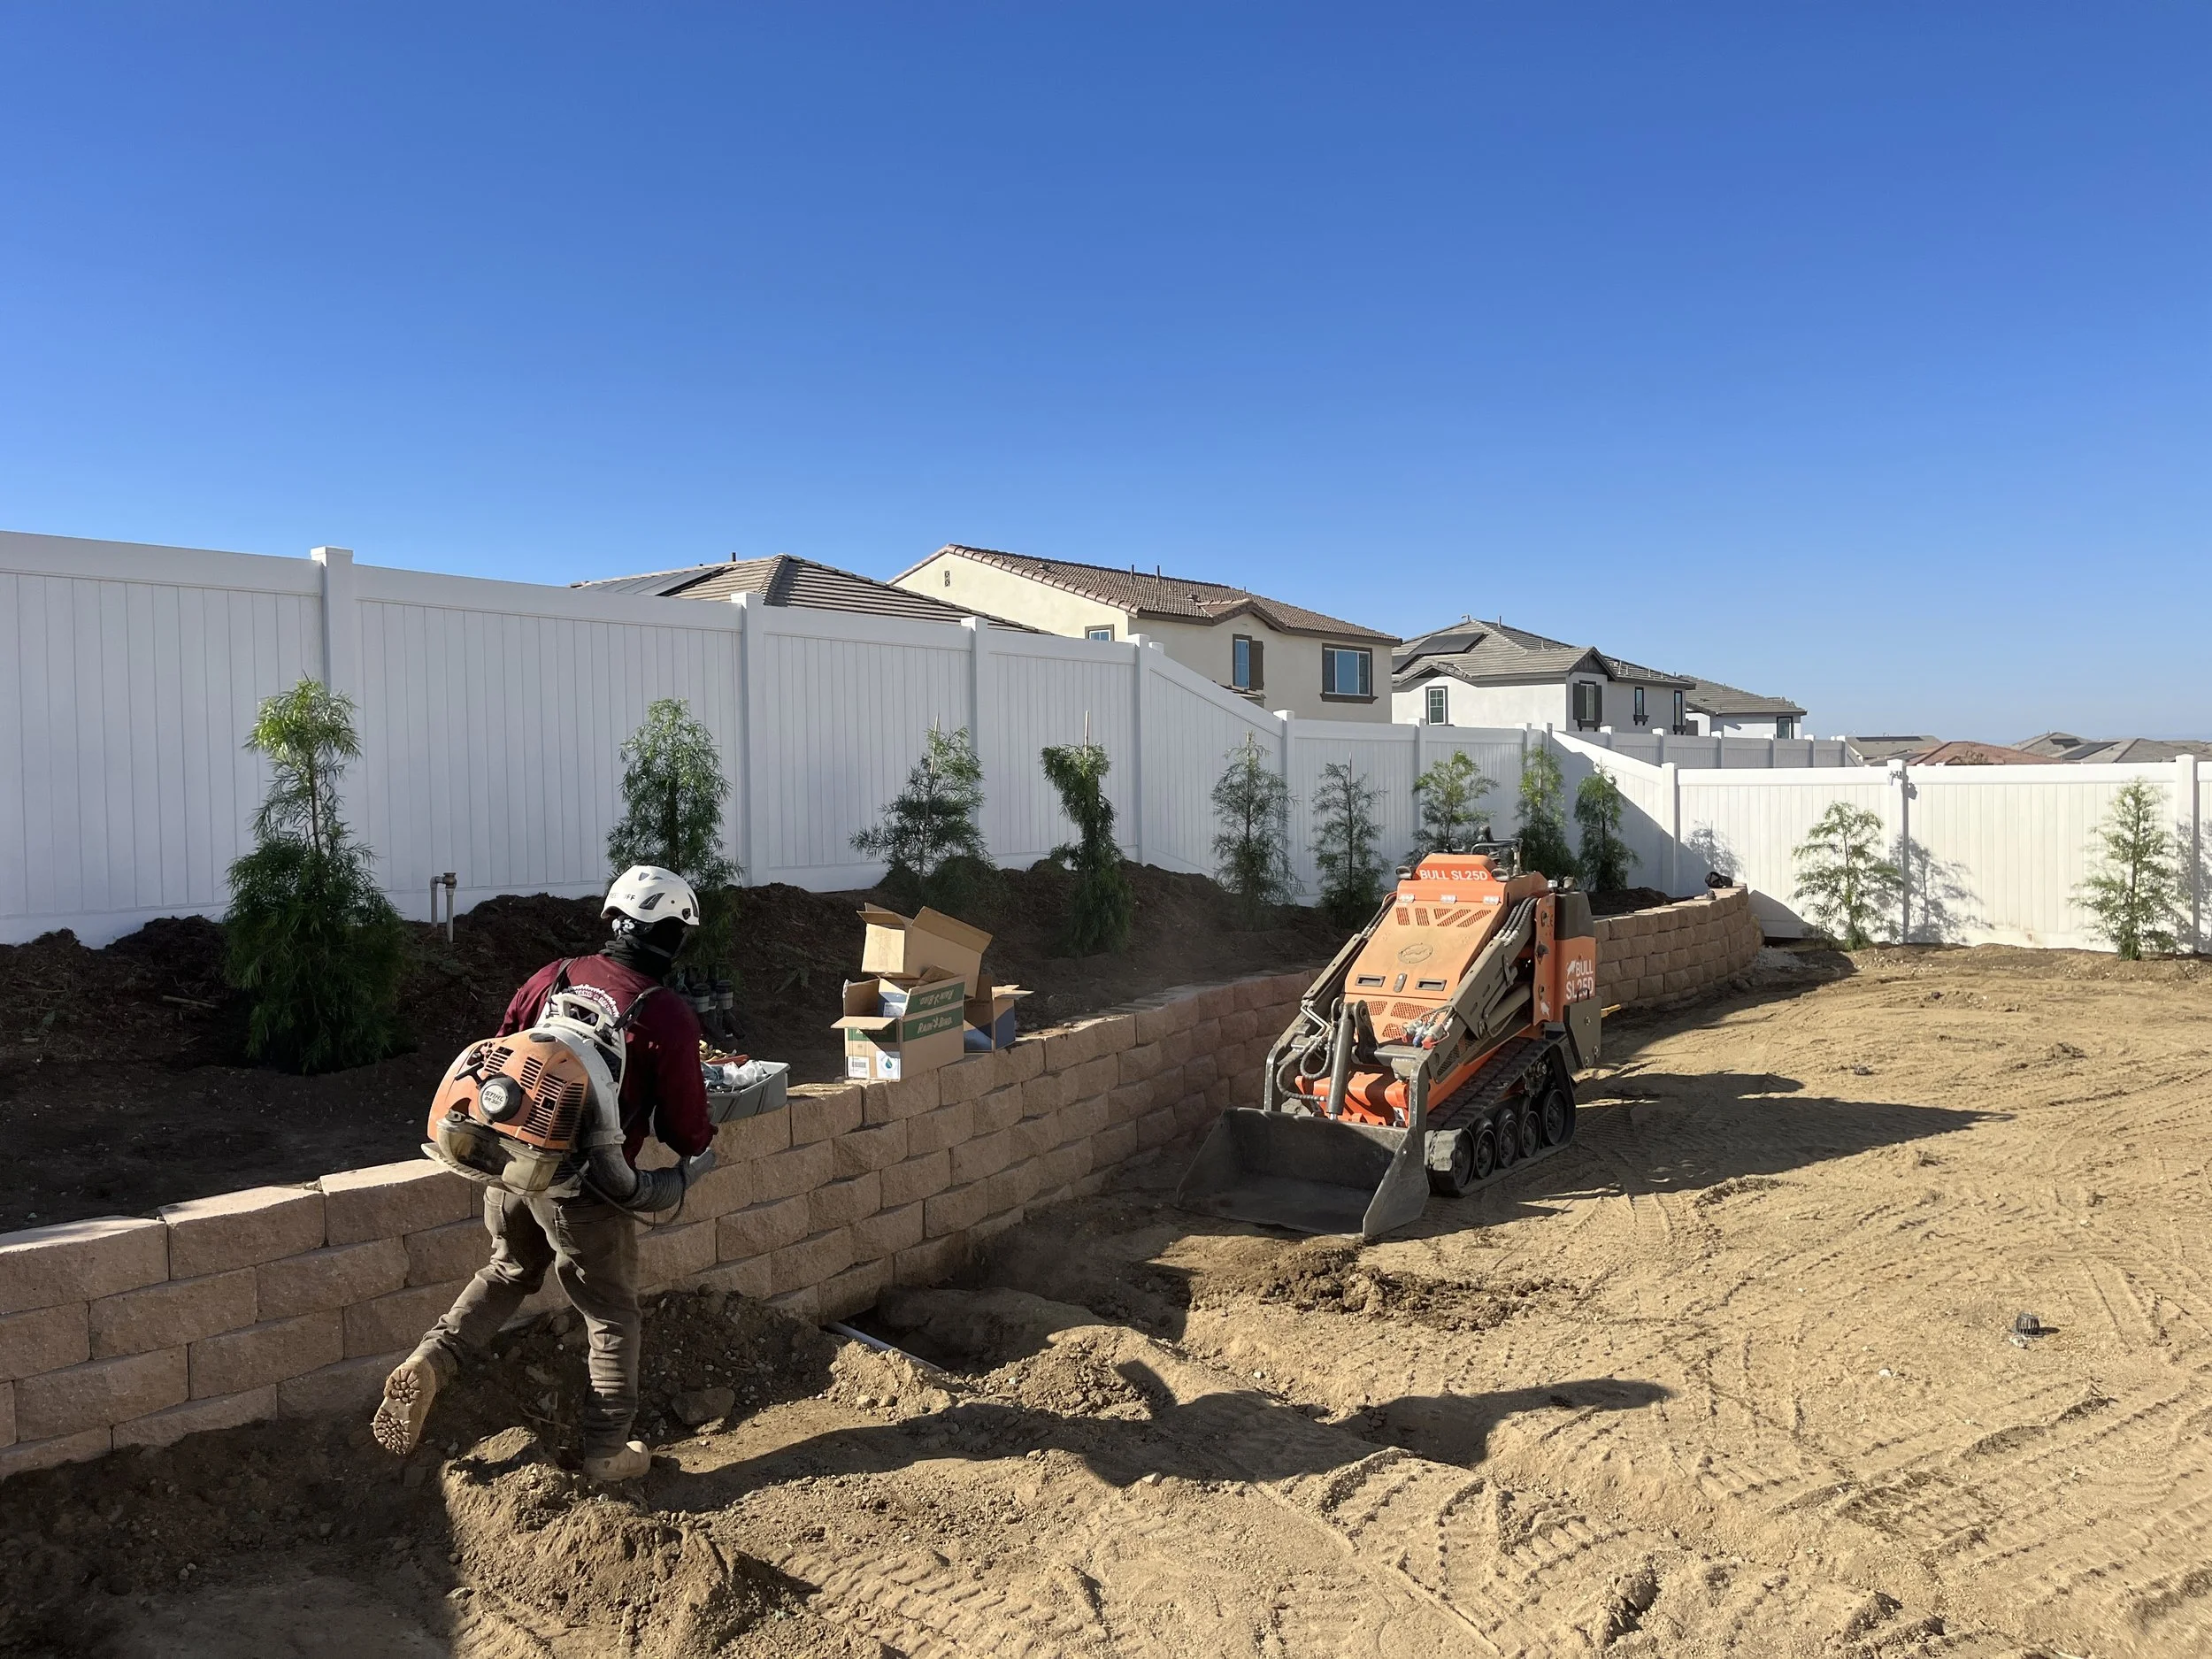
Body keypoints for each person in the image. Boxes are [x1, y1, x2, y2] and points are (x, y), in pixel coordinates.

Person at [372, 864, 715, 1480]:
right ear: (671, 938)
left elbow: (503, 1051)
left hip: (509, 1168)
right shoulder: (664, 1014)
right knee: (611, 1312)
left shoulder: (552, 975)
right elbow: (686, 1130)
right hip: (585, 1190)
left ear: (615, 920)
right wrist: (697, 1148)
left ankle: (432, 1356)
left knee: (508, 1269)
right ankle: (608, 1450)